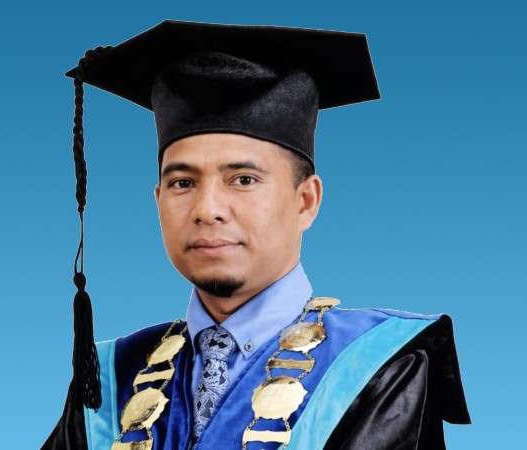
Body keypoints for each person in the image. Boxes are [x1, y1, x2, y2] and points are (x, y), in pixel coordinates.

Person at [43, 20, 470, 450]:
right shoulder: (111, 378)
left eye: (243, 180)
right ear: (158, 200)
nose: (207, 209)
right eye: (183, 183)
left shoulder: (375, 367)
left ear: (305, 201)